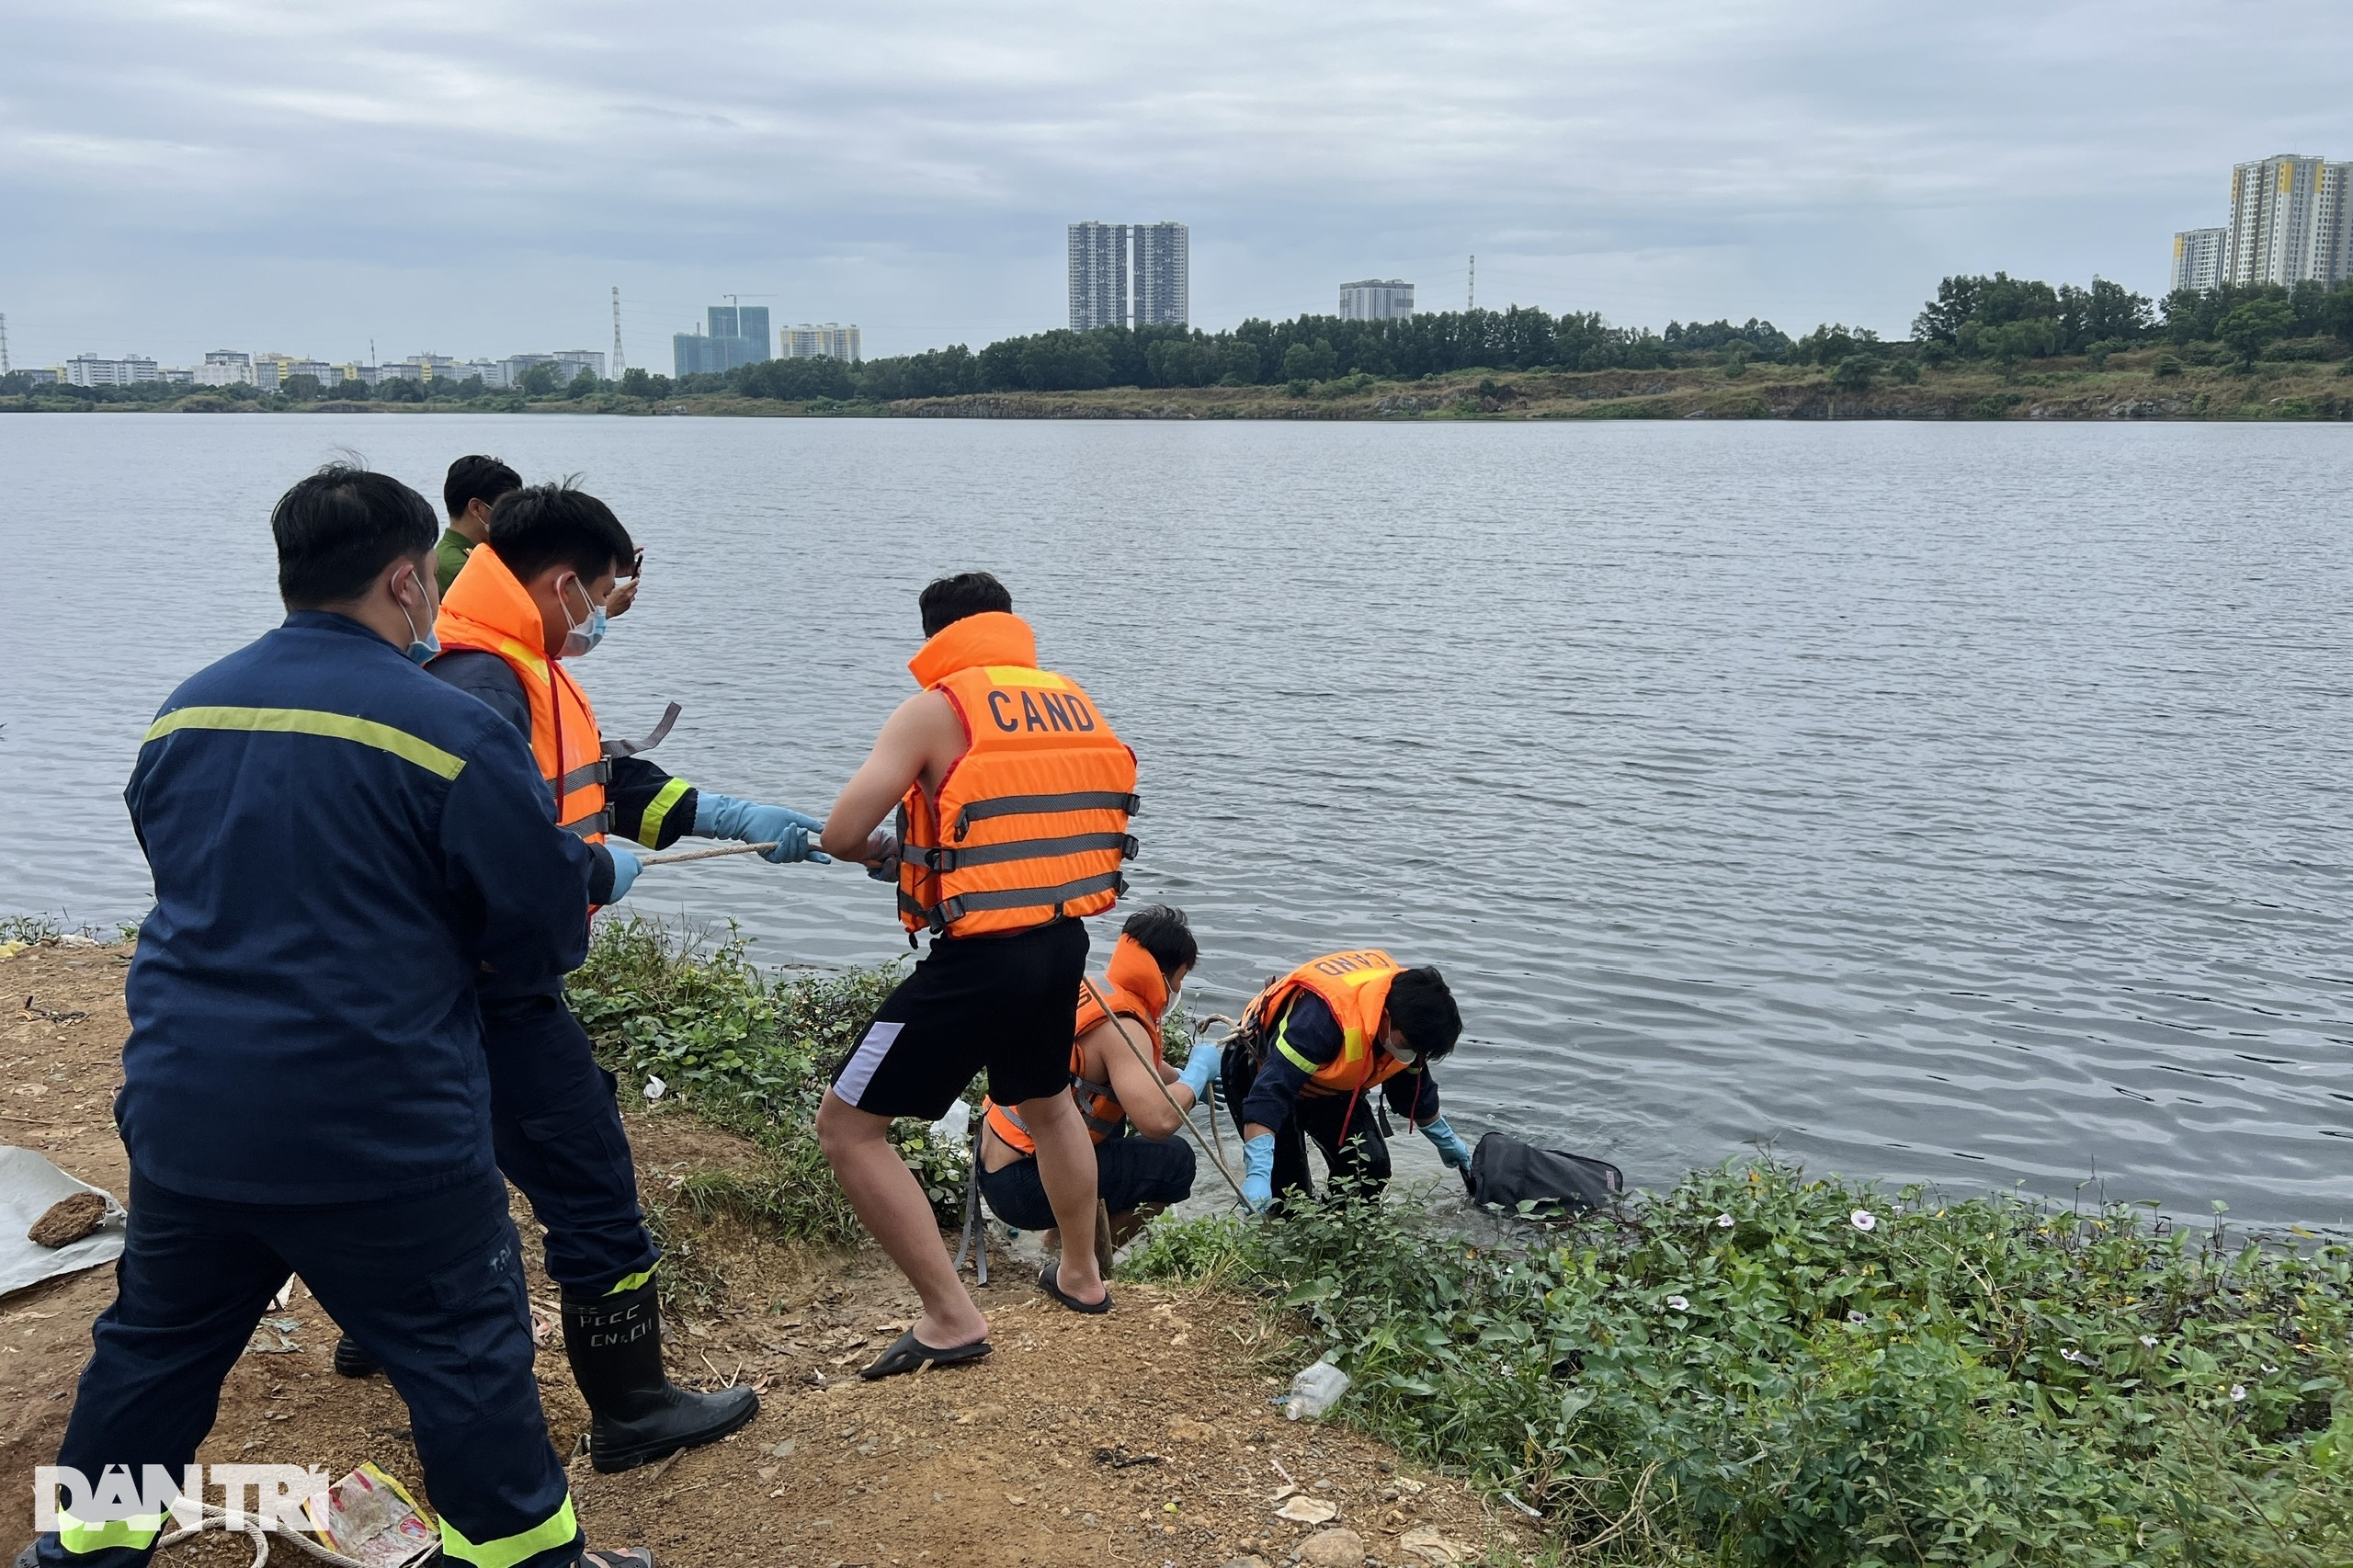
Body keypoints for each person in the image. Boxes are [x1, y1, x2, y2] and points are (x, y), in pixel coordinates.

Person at [15, 464, 647, 1568]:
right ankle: (525, 1557)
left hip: (187, 1109)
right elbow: (537, 932)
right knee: (463, 1353)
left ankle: (80, 1552)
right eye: (432, 592)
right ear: (406, 579)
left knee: (151, 1349)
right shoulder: (445, 726)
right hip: (375, 1121)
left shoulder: (187, 708)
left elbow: (198, 872)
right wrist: (588, 874)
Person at [325, 481, 824, 1472]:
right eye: (602, 595)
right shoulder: (484, 682)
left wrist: (729, 815)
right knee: (588, 1183)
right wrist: (587, 870)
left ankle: (373, 1330)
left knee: (414, 1163)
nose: (604, 617)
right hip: (490, 987)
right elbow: (482, 850)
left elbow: (598, 779)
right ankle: (633, 1402)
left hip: (423, 991)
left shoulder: (500, 660)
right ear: (562, 584)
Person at [815, 572, 1139, 1375]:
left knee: (848, 1128)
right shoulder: (1069, 698)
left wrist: (885, 852)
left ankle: (951, 1318)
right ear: (1009, 625)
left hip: (979, 958)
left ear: (934, 639)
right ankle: (1082, 1276)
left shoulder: (938, 708)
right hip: (1062, 942)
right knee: (1049, 1102)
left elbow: (841, 831)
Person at [976, 905, 1218, 1266]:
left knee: (1108, 1121)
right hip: (1023, 1186)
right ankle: (1084, 1263)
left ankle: (1053, 1245)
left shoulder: (1095, 989)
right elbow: (1158, 1122)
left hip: (993, 1163)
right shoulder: (1124, 1025)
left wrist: (1179, 1074)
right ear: (1169, 972)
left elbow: (1133, 1065)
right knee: (1175, 1162)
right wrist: (1198, 1076)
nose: (1180, 988)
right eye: (1182, 977)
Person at [1222, 949, 1472, 1212]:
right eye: (1409, 1045)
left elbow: (1413, 1092)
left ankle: (1336, 1237)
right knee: (1287, 1196)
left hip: (1327, 1083)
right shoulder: (1321, 1021)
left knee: (1368, 1169)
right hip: (1261, 1067)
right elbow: (1269, 1094)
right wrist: (1258, 1173)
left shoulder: (1408, 1028)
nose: (1412, 1054)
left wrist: (1446, 1139)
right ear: (1386, 1016)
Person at [435, 454, 638, 617]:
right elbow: (525, 622)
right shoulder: (459, 568)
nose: (513, 514)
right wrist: (604, 611)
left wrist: (597, 568)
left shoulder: (481, 556)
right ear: (477, 508)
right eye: (505, 506)